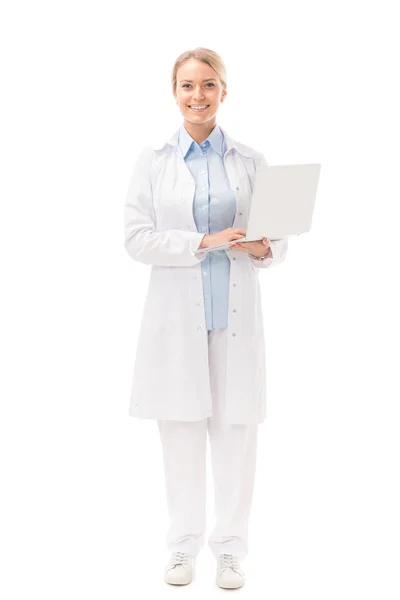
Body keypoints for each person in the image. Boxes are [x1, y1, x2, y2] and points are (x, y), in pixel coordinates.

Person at [124, 47, 289, 589]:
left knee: (236, 435)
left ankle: (231, 549)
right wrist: (202, 240)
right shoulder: (154, 161)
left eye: (208, 85)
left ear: (224, 91)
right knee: (181, 435)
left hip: (235, 319)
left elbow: (280, 239)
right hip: (178, 323)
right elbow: (137, 239)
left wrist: (264, 247)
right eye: (188, 86)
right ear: (174, 92)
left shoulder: (251, 160)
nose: (198, 96)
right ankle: (181, 546)